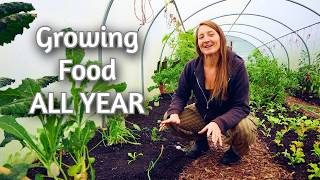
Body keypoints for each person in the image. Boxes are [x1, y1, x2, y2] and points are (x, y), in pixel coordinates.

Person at [160, 20, 257, 165]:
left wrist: (218, 123)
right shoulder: (191, 67)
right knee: (171, 117)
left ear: (220, 37)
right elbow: (181, 95)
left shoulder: (236, 65)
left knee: (244, 129)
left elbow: (241, 106)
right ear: (198, 43)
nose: (206, 40)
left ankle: (235, 151)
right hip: (202, 112)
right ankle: (201, 142)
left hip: (230, 114)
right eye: (201, 37)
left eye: (211, 34)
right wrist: (174, 112)